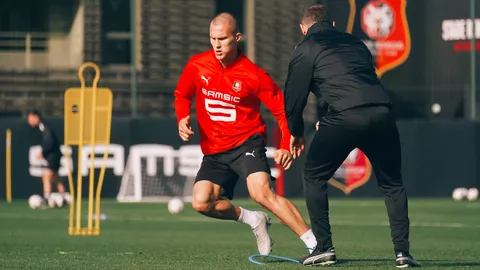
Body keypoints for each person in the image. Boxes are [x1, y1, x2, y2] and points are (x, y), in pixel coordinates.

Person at [283, 4, 420, 268]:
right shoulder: (356, 43)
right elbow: (351, 79)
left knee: (313, 176)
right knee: (392, 184)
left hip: (345, 116)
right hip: (381, 111)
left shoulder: (305, 47)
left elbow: (294, 100)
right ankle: (403, 253)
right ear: (333, 25)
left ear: (303, 28)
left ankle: (324, 248)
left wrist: (297, 133)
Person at [173, 12, 317, 256]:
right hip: (215, 150)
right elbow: (182, 94)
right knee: (201, 202)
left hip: (246, 143)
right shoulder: (197, 65)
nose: (217, 45)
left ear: (237, 37)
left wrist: (284, 143)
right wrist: (182, 117)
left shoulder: (254, 75)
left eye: (223, 39)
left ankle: (315, 244)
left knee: (261, 193)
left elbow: (282, 111)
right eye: (212, 39)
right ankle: (253, 219)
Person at [27, 110, 71, 206]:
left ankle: (46, 199)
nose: (29, 121)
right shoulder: (42, 126)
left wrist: (43, 153)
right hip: (54, 155)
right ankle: (65, 197)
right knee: (55, 178)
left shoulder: (44, 126)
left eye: (30, 118)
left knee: (46, 175)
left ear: (36, 117)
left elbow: (49, 141)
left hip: (53, 155)